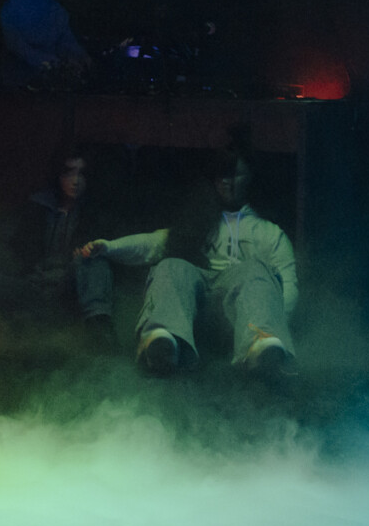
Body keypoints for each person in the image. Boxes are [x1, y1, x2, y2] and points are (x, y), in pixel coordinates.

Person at [81, 129, 297, 378]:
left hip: (240, 318)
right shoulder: (196, 221)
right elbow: (150, 244)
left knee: (255, 270)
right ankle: (163, 338)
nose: (227, 182)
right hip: (195, 313)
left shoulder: (269, 233)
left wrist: (278, 323)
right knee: (172, 265)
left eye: (235, 175)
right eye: (222, 176)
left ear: (248, 178)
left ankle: (263, 344)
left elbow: (289, 284)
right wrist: (109, 247)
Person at [13, 144, 116, 344]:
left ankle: (100, 332)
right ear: (59, 176)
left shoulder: (93, 212)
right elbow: (20, 251)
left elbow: (96, 256)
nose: (75, 181)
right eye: (69, 173)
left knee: (94, 261)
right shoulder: (38, 206)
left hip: (69, 287)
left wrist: (84, 254)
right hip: (33, 284)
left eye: (81, 174)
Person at [0, 0, 91, 90]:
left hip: (51, 85)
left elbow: (66, 41)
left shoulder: (58, 11)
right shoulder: (12, 8)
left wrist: (81, 56)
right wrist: (52, 62)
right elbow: (17, 46)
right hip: (16, 86)